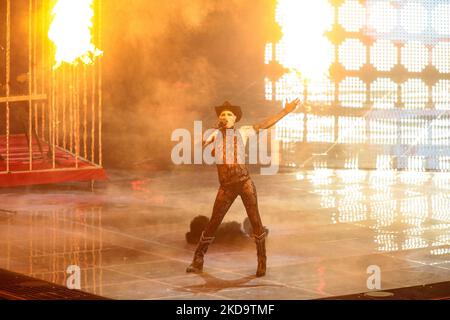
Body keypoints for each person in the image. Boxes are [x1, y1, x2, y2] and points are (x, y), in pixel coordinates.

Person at [186, 99, 300, 277]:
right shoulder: (215, 134)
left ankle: (262, 260)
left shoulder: (244, 131)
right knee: (213, 222)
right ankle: (198, 260)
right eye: (222, 114)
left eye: (229, 114)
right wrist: (215, 132)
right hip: (226, 187)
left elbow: (264, 124)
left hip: (244, 183)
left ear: (235, 119)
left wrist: (285, 111)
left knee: (256, 221)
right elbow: (201, 143)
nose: (225, 116)